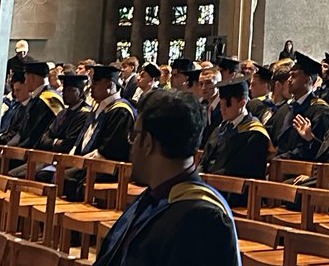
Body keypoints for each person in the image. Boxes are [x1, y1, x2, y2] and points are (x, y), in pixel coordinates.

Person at [93, 89, 240, 266]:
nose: (131, 146)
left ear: (147, 143)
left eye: (134, 136)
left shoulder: (203, 219)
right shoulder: (154, 198)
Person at [64, 64, 136, 199]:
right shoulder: (99, 108)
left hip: (107, 168)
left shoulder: (121, 111)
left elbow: (110, 150)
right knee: (51, 173)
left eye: (96, 83)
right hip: (88, 164)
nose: (91, 87)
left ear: (109, 85)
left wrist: (79, 163)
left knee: (65, 178)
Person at [199, 77, 272, 179]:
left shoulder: (255, 133)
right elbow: (204, 161)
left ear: (242, 103)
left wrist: (209, 178)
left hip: (234, 189)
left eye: (227, 105)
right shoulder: (221, 129)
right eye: (221, 104)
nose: (222, 109)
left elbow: (239, 169)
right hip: (211, 183)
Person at [273, 52, 329, 159]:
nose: (289, 80)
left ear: (307, 79)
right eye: (289, 76)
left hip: (299, 169)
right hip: (277, 166)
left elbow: (318, 149)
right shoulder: (285, 109)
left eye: (294, 76)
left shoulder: (320, 110)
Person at [3, 60, 63, 148]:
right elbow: (22, 131)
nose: (25, 82)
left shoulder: (48, 99)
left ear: (33, 78)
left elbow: (36, 133)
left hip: (35, 151)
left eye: (26, 78)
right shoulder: (36, 99)